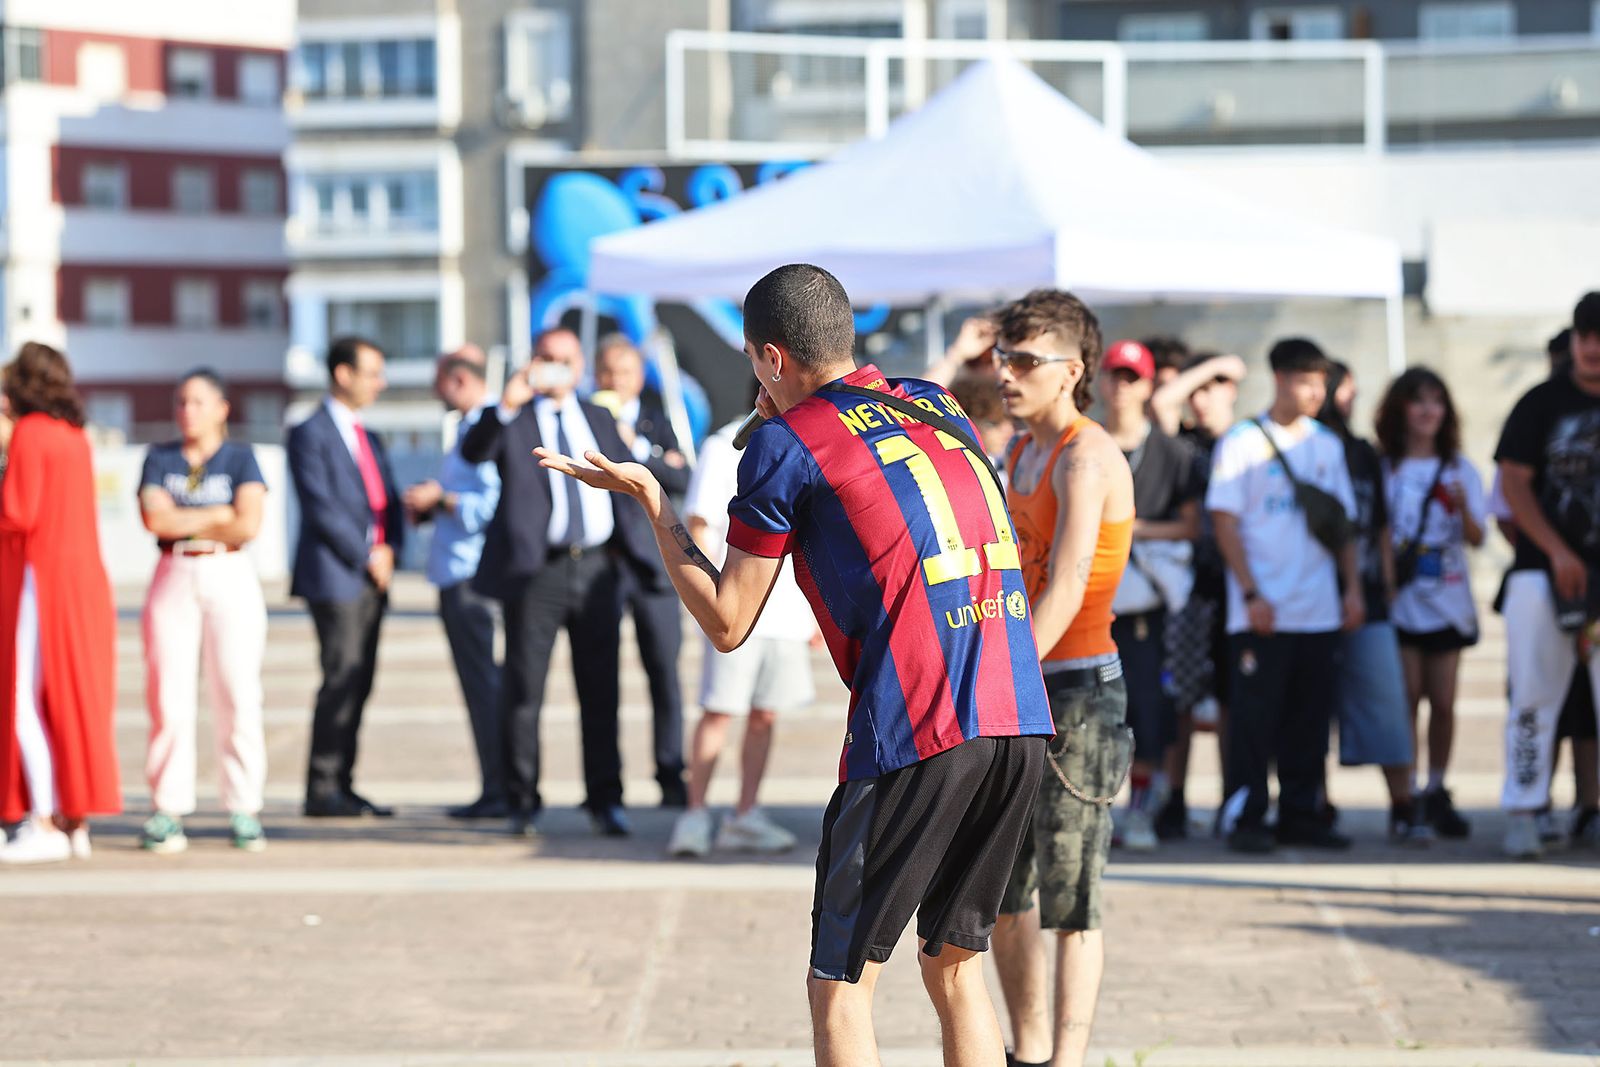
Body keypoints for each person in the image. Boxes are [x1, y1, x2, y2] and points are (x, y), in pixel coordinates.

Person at [537, 264, 1053, 1067]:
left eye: (755, 361)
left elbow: (728, 620)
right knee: (955, 966)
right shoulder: (935, 398)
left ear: (771, 357)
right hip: (1017, 708)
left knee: (839, 986)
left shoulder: (785, 443)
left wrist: (654, 505)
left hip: (919, 721)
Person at [989, 293, 1135, 1067]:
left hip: (1078, 691)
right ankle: (1029, 1050)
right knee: (1002, 890)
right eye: (1001, 358)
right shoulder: (1020, 449)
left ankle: (1067, 1059)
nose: (1006, 374)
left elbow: (1068, 586)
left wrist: (1003, 686)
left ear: (1072, 371)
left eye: (1024, 360)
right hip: (1022, 685)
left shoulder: (1086, 455)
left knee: (1071, 895)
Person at [459, 327, 668, 838]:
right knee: (524, 690)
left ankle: (605, 799)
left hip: (596, 567)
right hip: (538, 571)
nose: (555, 366)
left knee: (601, 690)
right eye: (546, 357)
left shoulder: (598, 416)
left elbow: (629, 476)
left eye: (565, 359)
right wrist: (506, 403)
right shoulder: (515, 416)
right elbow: (473, 452)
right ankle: (521, 801)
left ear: (579, 368)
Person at [1207, 337, 1363, 854]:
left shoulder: (1327, 444)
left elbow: (1342, 526)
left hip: (1317, 610)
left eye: (1322, 384)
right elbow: (1224, 522)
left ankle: (1302, 813)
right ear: (1279, 379)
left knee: (1310, 722)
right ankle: (1247, 815)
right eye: (1307, 382)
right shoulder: (1241, 442)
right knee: (1254, 722)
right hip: (1260, 612)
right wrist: (1251, 593)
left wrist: (1352, 589)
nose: (1317, 393)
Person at [667, 388, 814, 858]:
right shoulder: (725, 444)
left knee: (765, 713)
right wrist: (714, 597)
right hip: (736, 601)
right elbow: (698, 522)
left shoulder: (809, 438)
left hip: (786, 610)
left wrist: (816, 612)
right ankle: (695, 813)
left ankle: (745, 814)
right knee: (719, 709)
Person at [136, 369, 270, 854]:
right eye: (181, 402)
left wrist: (188, 519)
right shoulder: (159, 457)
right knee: (167, 696)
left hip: (228, 572)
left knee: (236, 691)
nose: (186, 411)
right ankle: (168, 807)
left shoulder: (240, 457)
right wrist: (217, 514)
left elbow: (248, 524)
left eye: (197, 402)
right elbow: (155, 518)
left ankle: (244, 806)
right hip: (174, 571)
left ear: (221, 408)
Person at [0, 342, 119, 863]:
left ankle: (42, 821)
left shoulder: (30, 433)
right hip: (81, 578)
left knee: (22, 698)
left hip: (39, 577)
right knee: (71, 698)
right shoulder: (74, 435)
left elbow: (17, 512)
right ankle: (73, 821)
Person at [1494, 291, 1600, 860]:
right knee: (1533, 696)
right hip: (1541, 573)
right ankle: (1524, 810)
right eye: (1584, 336)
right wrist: (1557, 552)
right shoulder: (1541, 402)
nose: (1592, 348)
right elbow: (1513, 483)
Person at [287, 336, 404, 818]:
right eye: (372, 373)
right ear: (343, 374)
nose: (380, 383)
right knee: (340, 678)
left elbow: (386, 500)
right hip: (336, 575)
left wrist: (391, 548)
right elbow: (321, 507)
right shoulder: (308, 432)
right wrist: (366, 554)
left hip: (373, 576)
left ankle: (343, 784)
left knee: (360, 682)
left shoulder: (369, 436)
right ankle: (322, 788)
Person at [1095, 339, 1200, 852]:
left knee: (1150, 711)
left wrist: (1132, 528)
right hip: (1092, 600)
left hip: (1147, 607)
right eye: (1114, 375)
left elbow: (1193, 526)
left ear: (1149, 385)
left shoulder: (1173, 453)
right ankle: (1095, 808)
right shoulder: (1086, 443)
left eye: (1131, 377)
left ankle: (1141, 809)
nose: (1121, 386)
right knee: (1091, 711)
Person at [1372, 366, 1483, 842]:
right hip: (1402, 599)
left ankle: (1437, 786)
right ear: (1400, 408)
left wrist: (1461, 506)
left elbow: (1477, 536)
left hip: (1448, 598)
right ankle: (1408, 792)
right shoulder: (1386, 468)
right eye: (1418, 400)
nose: (1427, 411)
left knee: (1443, 700)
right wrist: (1387, 581)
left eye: (1436, 401)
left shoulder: (1460, 468)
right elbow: (1378, 531)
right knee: (1407, 696)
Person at [1319, 362, 1426, 844]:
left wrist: (1385, 583)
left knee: (1387, 702)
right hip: (1312, 598)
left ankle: (1403, 804)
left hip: (1368, 597)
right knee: (1312, 712)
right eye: (1345, 390)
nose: (1350, 400)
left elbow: (1379, 523)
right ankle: (1315, 802)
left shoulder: (1362, 451)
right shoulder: (1303, 447)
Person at [403, 347, 506, 819]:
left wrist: (440, 499)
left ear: (459, 380)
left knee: (485, 687)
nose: (434, 390)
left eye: (438, 380)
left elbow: (488, 507)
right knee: (480, 687)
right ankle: (495, 786)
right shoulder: (468, 427)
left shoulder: (487, 429)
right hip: (458, 572)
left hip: (472, 576)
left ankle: (499, 790)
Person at [593, 334, 692, 807]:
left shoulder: (655, 419)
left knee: (664, 673)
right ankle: (606, 787)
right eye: (609, 372)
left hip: (654, 567)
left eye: (626, 372)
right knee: (600, 678)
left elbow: (680, 475)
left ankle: (671, 774)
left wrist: (640, 449)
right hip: (603, 564)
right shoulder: (587, 420)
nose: (617, 381)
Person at [1155, 350, 1247, 838]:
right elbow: (1161, 403)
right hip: (1190, 590)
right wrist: (1212, 367)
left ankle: (1234, 796)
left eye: (1213, 389)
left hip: (1237, 587)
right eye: (1196, 390)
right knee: (1182, 698)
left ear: (1232, 391)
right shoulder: (1185, 443)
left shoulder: (1249, 439)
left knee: (1235, 698)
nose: (1201, 399)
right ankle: (1175, 797)